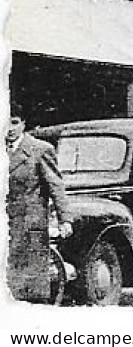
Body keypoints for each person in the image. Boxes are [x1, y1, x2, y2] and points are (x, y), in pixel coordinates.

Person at [8, 113, 72, 303]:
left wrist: (65, 220)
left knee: (29, 284)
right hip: (6, 222)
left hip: (29, 224)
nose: (10, 128)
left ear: (24, 124)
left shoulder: (39, 149)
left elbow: (56, 186)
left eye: (14, 123)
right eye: (5, 122)